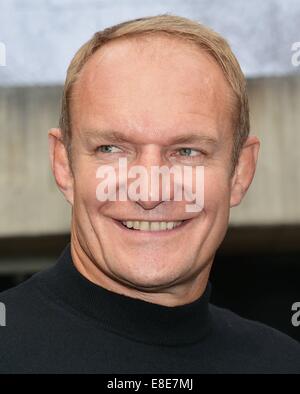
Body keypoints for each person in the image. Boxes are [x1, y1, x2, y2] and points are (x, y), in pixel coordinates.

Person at [0, 14, 299, 374]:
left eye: (187, 152)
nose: (150, 191)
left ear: (240, 172)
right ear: (64, 165)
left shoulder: (282, 362)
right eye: (112, 149)